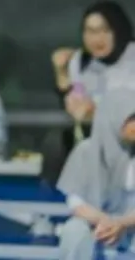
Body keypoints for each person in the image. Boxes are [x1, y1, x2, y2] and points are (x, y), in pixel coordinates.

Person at [43, 0, 135, 186]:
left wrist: (100, 113)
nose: (96, 38)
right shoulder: (80, 61)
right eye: (90, 31)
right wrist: (63, 75)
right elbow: (76, 98)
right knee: (56, 143)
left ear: (119, 30)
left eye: (104, 30)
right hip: (95, 143)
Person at [57, 88, 135, 259]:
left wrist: (121, 223)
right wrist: (106, 222)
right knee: (74, 231)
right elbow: (76, 203)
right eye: (131, 118)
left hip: (130, 224)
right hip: (95, 223)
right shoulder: (86, 151)